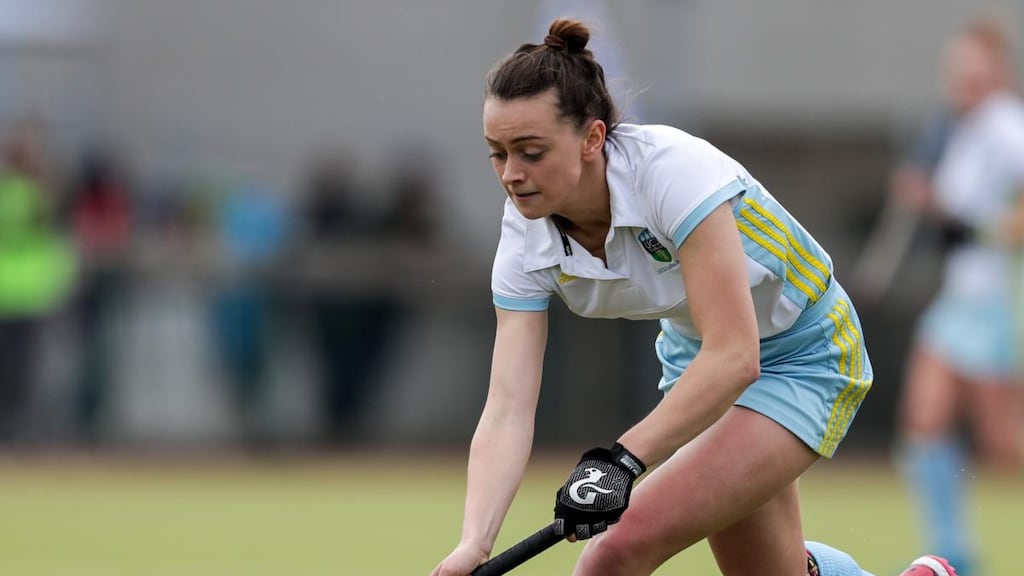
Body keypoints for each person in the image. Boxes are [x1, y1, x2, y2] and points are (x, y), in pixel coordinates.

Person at [432, 18, 954, 576]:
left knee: (613, 553)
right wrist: (474, 544)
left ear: (592, 137)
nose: (512, 174)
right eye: (497, 153)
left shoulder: (671, 173)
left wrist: (622, 462)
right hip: (697, 363)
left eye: (530, 151)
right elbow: (508, 406)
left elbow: (736, 354)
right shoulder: (522, 234)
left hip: (806, 355)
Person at [894, 17, 1024, 576]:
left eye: (976, 68)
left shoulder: (1007, 129)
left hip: (996, 304)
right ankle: (955, 556)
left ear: (997, 72)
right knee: (923, 424)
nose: (963, 78)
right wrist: (927, 199)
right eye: (958, 68)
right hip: (960, 300)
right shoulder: (966, 131)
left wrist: (965, 225)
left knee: (1003, 444)